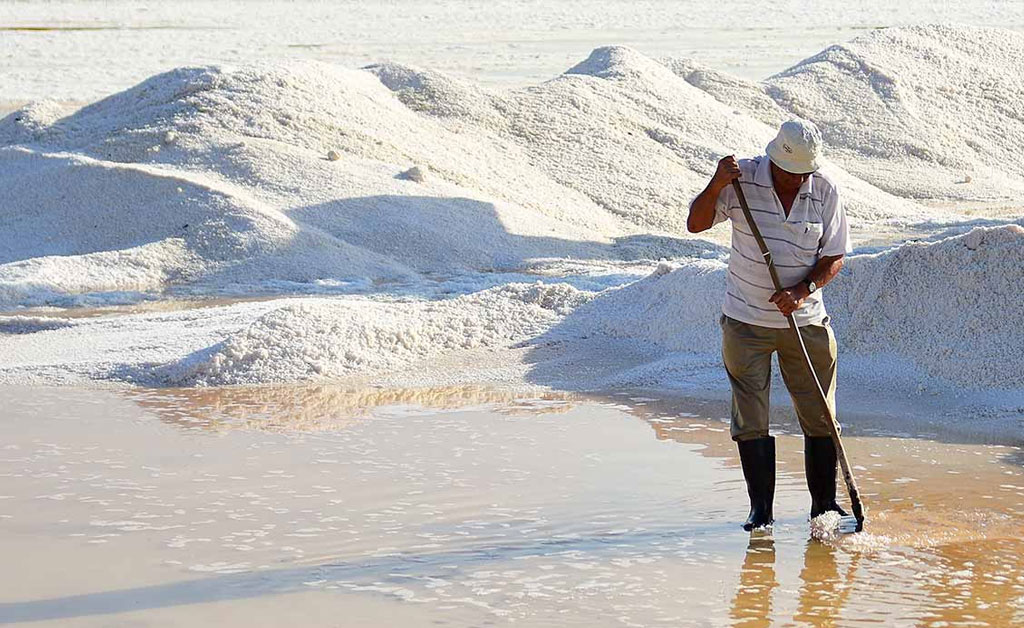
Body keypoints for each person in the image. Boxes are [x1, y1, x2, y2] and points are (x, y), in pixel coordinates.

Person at [687, 119, 852, 530]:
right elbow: (696, 223)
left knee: (819, 414)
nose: (797, 182)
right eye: (789, 174)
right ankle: (761, 513)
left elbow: (834, 256)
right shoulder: (740, 179)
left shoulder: (825, 190)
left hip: (806, 322)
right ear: (773, 160)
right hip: (745, 322)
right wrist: (714, 184)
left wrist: (803, 289)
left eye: (804, 175)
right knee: (750, 416)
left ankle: (824, 507)